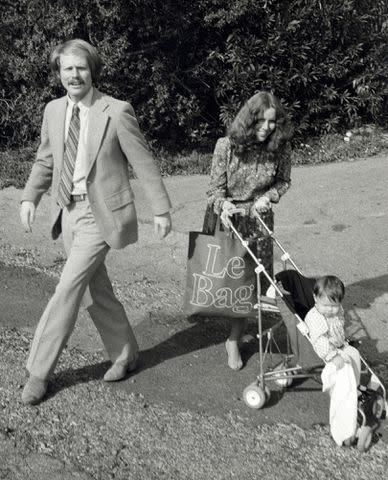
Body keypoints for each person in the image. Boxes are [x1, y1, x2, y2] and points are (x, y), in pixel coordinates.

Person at [19, 39, 172, 405]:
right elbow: (46, 160)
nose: (75, 75)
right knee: (95, 288)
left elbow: (143, 161)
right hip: (66, 211)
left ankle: (38, 372)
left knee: (68, 288)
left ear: (93, 71)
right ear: (59, 74)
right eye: (68, 69)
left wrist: (161, 209)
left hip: (100, 213)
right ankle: (125, 354)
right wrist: (29, 197)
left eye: (81, 68)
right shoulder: (53, 111)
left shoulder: (116, 111)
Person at [203, 91, 293, 370]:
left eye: (273, 122)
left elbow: (284, 181)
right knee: (234, 285)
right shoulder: (226, 146)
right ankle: (234, 335)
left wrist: (271, 196)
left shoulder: (280, 147)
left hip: (260, 220)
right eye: (262, 122)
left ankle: (237, 334)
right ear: (248, 121)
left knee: (256, 284)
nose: (268, 128)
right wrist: (225, 205)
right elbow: (214, 190)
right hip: (229, 218)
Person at [305, 275, 361, 446]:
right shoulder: (315, 318)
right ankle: (344, 397)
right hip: (327, 351)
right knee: (343, 366)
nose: (330, 310)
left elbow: (340, 322)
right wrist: (332, 356)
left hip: (339, 345)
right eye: (326, 305)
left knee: (354, 355)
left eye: (334, 306)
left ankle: (356, 385)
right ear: (315, 298)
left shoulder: (338, 311)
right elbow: (319, 341)